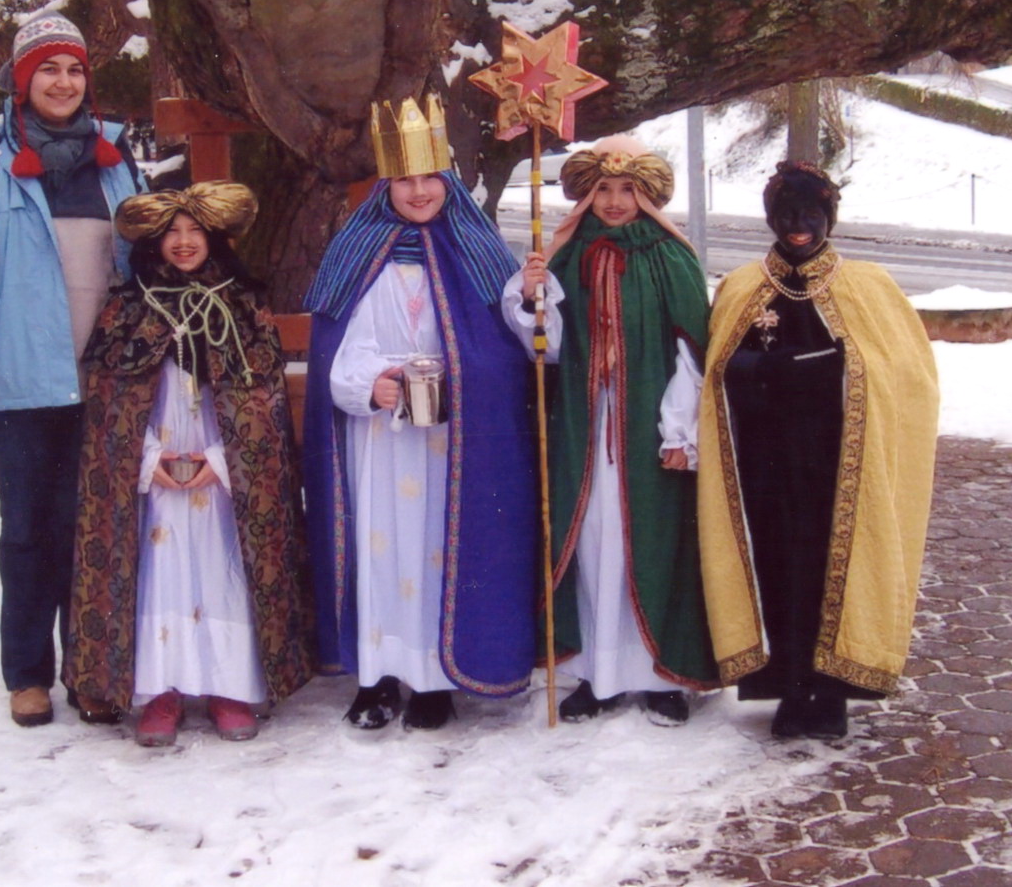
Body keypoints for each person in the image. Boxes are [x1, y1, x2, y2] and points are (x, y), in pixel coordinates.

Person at [0, 11, 144, 728]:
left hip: (102, 378)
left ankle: (88, 667)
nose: (63, 81)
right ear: (23, 79)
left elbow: (142, 261)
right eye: (48, 68)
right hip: (15, 381)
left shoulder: (116, 158)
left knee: (92, 526)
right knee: (28, 527)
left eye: (75, 69)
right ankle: (26, 674)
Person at [302, 95, 538, 731]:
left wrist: (534, 297)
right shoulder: (355, 255)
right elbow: (337, 352)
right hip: (378, 442)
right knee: (379, 551)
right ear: (386, 183)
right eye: (404, 179)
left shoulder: (480, 250)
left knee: (438, 550)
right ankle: (376, 679)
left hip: (451, 445)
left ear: (447, 180)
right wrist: (366, 385)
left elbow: (518, 342)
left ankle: (434, 681)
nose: (418, 191)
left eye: (429, 177)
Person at [64, 184, 314, 746]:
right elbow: (109, 402)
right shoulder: (128, 308)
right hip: (153, 477)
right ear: (154, 242)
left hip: (222, 478)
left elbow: (264, 402)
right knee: (160, 574)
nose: (183, 243)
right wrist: (145, 456)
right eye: (172, 232)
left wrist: (224, 459)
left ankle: (228, 685)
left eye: (194, 232)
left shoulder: (243, 306)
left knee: (222, 568)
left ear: (215, 239)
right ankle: (163, 689)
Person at [697, 162, 939, 739]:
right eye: (786, 214)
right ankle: (788, 686)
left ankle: (830, 692)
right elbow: (717, 372)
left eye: (810, 214)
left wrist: (834, 371)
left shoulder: (869, 286)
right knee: (778, 569)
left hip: (837, 461)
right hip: (766, 462)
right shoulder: (741, 286)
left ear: (829, 217)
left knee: (835, 568)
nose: (798, 226)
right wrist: (758, 368)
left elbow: (910, 376)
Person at [511, 136, 718, 726]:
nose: (615, 200)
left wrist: (679, 429)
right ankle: (598, 673)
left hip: (648, 434)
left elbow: (692, 352)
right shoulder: (567, 255)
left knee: (651, 542)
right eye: (603, 189)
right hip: (583, 426)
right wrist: (532, 296)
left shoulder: (670, 257)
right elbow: (540, 348)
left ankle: (659, 675)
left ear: (648, 195)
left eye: (627, 189)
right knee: (592, 542)